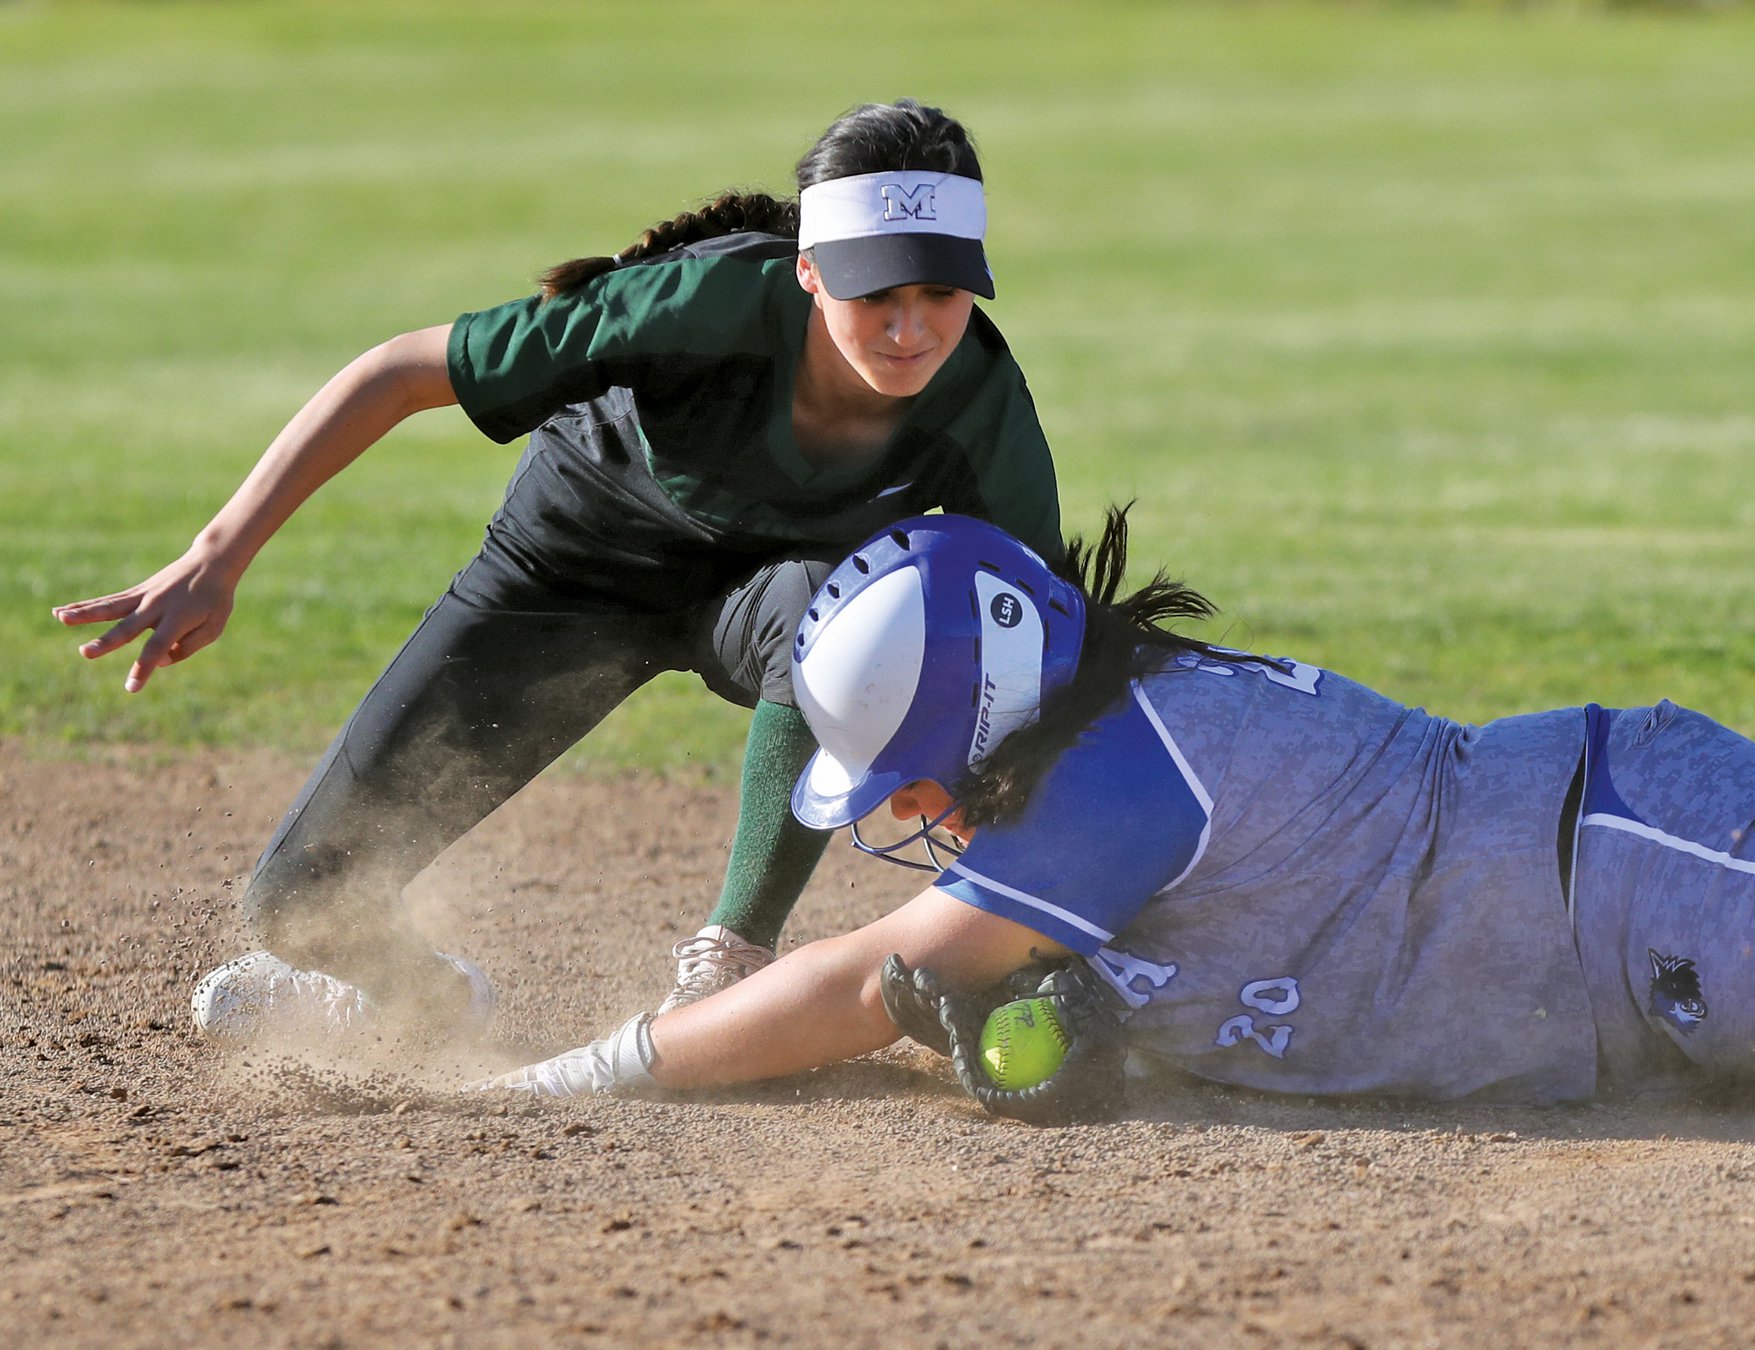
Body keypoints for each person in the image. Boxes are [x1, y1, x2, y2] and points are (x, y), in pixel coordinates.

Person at [51, 100, 1063, 1038]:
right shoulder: (694, 303)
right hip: (571, 572)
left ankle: (731, 959)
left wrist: (1016, 826)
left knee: (847, 615)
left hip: (766, 603)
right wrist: (219, 552)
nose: (910, 329)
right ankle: (428, 1001)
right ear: (809, 271)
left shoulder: (979, 397)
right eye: (875, 292)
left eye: (941, 293)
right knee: (295, 903)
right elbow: (399, 372)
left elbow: (1038, 629)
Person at [475, 509, 1755, 1120]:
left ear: (983, 724)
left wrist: (578, 1076)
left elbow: (862, 983)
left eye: (908, 772)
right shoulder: (1105, 739)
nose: (905, 809)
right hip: (1616, 923)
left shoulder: (1117, 772)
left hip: (1646, 867)